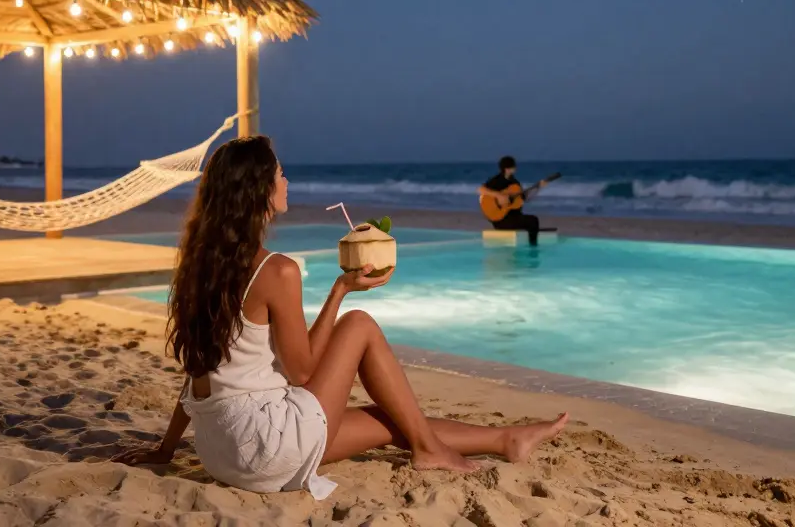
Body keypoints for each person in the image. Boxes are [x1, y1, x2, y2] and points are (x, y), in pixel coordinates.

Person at [113, 136, 568, 498]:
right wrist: (341, 290)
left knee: (387, 417)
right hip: (265, 447)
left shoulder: (200, 265)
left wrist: (166, 448)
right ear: (259, 192)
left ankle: (506, 439)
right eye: (280, 174)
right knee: (360, 324)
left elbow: (200, 370)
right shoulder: (277, 270)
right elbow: (304, 371)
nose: (286, 182)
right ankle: (431, 449)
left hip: (220, 450)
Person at [478, 156, 547, 246]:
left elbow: (526, 198)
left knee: (531, 220)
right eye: (514, 166)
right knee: (533, 221)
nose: (516, 168)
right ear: (507, 169)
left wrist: (539, 188)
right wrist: (499, 196)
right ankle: (533, 247)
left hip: (513, 217)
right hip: (502, 220)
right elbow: (481, 190)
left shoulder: (514, 183)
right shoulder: (498, 180)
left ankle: (529, 243)